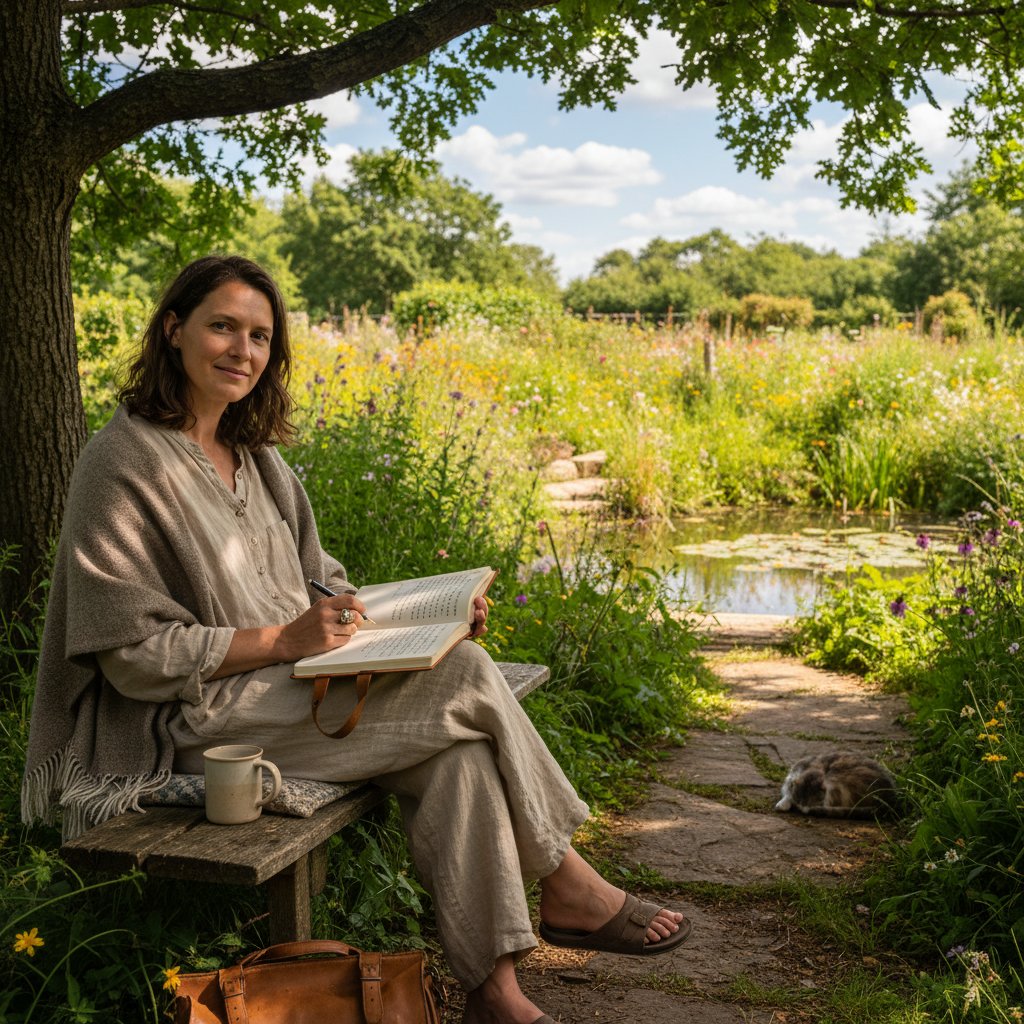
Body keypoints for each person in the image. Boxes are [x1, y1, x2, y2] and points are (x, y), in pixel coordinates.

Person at [22, 255, 690, 1024]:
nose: (243, 350)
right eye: (223, 327)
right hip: (196, 723)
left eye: (261, 336)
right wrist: (281, 639)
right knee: (470, 677)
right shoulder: (122, 462)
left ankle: (495, 994)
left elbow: (323, 584)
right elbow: (131, 658)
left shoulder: (258, 460)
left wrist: (421, 619)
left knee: (461, 751)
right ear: (174, 330)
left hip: (293, 693)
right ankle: (567, 879)